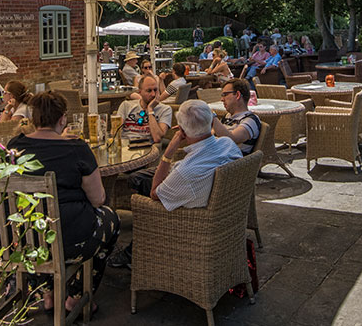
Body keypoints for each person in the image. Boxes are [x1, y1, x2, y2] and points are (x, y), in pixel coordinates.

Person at [7, 92, 119, 312]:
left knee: (36, 230)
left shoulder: (15, 146)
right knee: (110, 221)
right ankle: (75, 295)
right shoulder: (76, 149)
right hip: (69, 239)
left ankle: (46, 293)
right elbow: (98, 199)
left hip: (24, 237)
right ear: (62, 119)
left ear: (35, 119)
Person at [108, 99, 241, 268]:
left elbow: (155, 193)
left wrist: (170, 150)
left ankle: (138, 250)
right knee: (139, 178)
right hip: (222, 213)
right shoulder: (228, 144)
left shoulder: (185, 173)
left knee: (145, 193)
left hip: (191, 221)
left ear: (183, 131)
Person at [114, 74, 172, 144]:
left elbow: (157, 138)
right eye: (149, 91)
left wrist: (150, 110)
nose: (153, 94)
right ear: (140, 92)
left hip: (147, 147)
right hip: (125, 145)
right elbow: (116, 133)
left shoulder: (165, 109)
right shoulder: (126, 105)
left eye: (155, 90)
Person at [210, 78, 262, 155]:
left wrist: (212, 116)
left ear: (237, 95)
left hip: (229, 163)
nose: (222, 99)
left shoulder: (250, 120)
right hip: (215, 155)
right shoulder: (228, 116)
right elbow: (212, 135)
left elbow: (231, 138)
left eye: (225, 95)